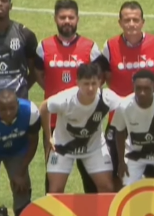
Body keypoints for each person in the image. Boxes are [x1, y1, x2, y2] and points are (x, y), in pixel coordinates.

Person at [97, 1, 154, 188]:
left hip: (151, 120)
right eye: (127, 20)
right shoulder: (110, 46)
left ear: (143, 22)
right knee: (118, 173)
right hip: (119, 120)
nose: (131, 24)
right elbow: (107, 78)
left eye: (135, 20)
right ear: (120, 22)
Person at [35, 0, 101, 194]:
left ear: (77, 19)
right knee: (53, 176)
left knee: (90, 175)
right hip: (54, 123)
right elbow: (38, 74)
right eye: (62, 17)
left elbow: (99, 79)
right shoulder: (44, 46)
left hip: (85, 122)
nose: (67, 21)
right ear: (55, 18)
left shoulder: (90, 47)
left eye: (71, 17)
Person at [40, 63, 121, 193]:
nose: (90, 88)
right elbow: (44, 107)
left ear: (100, 82)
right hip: (62, 147)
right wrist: (49, 136)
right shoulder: (65, 99)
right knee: (55, 190)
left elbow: (127, 107)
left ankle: (101, 214)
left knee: (107, 188)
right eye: (86, 83)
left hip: (94, 148)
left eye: (94, 83)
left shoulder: (107, 98)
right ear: (77, 82)